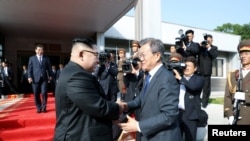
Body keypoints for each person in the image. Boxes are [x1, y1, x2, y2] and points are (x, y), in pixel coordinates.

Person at [54, 37, 125, 141]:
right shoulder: (76, 75)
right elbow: (99, 107)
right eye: (95, 55)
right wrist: (119, 107)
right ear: (82, 54)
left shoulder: (73, 72)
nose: (97, 60)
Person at [118, 38, 182, 141]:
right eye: (139, 56)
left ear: (157, 55)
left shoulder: (166, 78)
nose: (140, 59)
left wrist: (139, 126)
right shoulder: (149, 75)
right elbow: (142, 98)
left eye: (143, 55)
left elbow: (169, 115)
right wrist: (127, 106)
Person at [173, 56, 204, 141]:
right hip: (177, 114)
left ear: (195, 68)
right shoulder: (176, 79)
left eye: (189, 66)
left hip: (191, 116)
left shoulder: (199, 79)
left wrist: (180, 78)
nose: (186, 67)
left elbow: (193, 87)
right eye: (185, 65)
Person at [224, 39, 250, 125]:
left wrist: (245, 96)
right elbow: (227, 96)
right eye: (241, 54)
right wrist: (230, 115)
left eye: (246, 53)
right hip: (236, 117)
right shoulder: (233, 75)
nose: (243, 56)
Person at [27, 44, 53, 113]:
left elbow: (49, 68)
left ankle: (44, 107)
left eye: (41, 50)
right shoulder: (32, 58)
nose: (40, 51)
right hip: (35, 79)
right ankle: (38, 107)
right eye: (38, 50)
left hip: (44, 79)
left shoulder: (46, 58)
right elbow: (29, 69)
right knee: (36, 93)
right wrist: (29, 77)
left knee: (44, 93)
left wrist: (50, 75)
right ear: (35, 50)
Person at [198, 34, 218, 108]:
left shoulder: (214, 48)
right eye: (207, 40)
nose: (208, 41)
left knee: (206, 88)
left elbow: (215, 56)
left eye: (209, 40)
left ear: (212, 40)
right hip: (199, 70)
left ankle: (204, 103)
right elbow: (196, 51)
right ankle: (197, 101)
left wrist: (209, 47)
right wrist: (199, 46)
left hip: (207, 71)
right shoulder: (201, 47)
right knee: (198, 86)